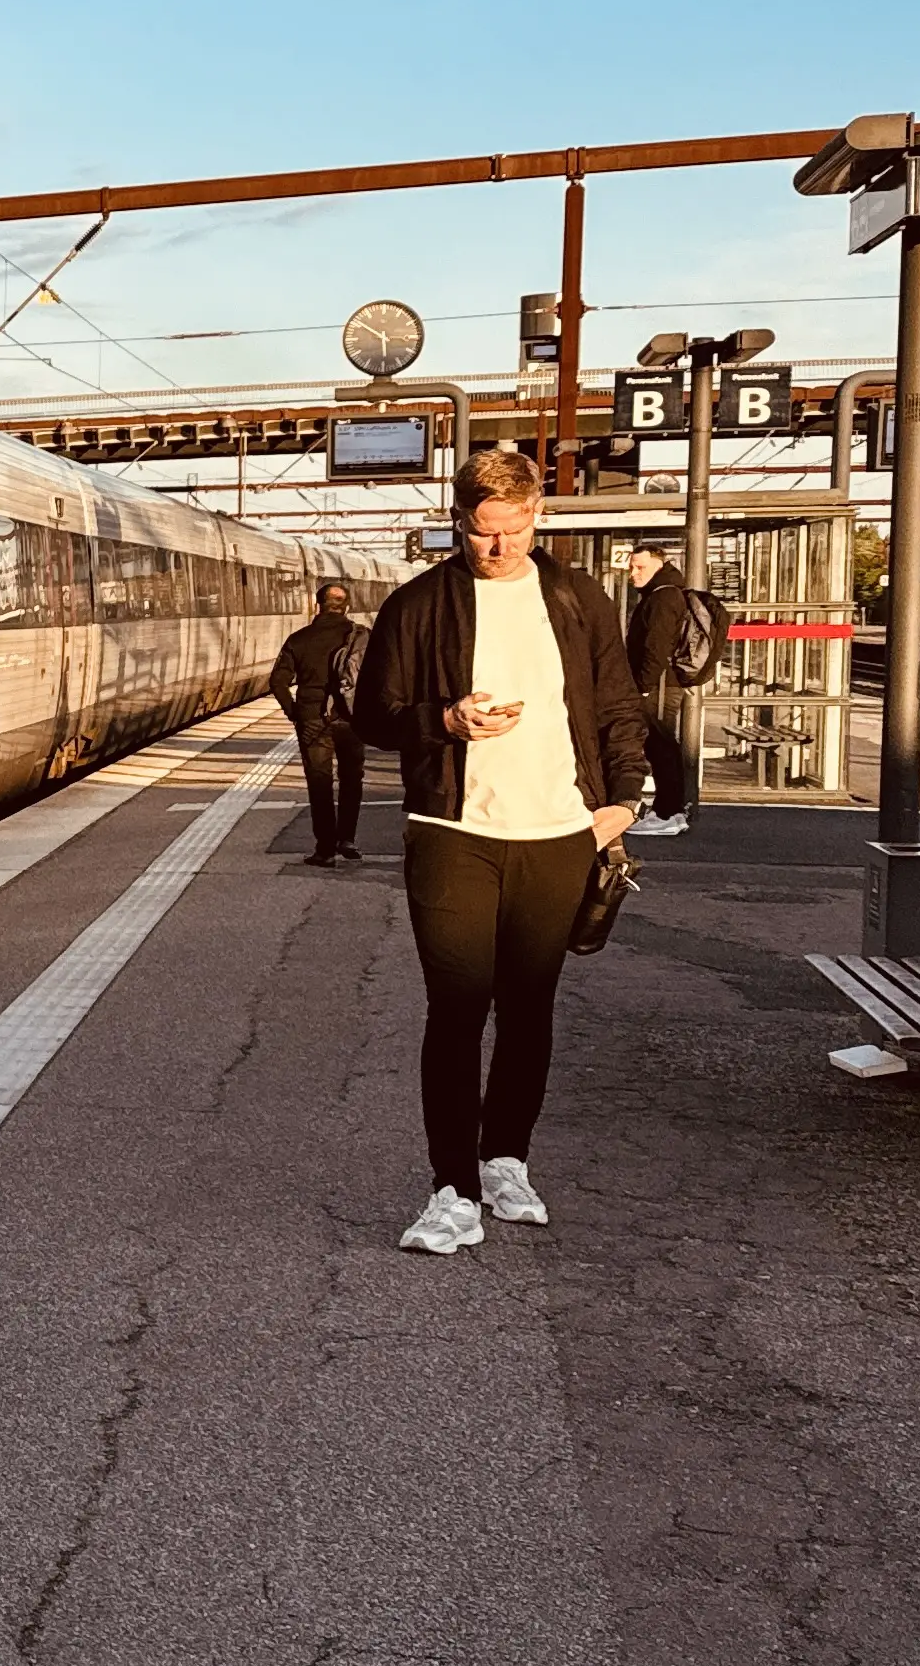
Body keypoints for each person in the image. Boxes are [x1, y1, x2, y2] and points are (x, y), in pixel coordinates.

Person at [355, 449, 647, 1256]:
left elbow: (619, 705)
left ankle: (505, 1160)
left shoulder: (576, 597)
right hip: (456, 835)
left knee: (529, 1012)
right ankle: (451, 1190)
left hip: (559, 834)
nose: (499, 549)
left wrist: (624, 800)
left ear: (537, 516)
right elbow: (373, 715)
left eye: (514, 530)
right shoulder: (417, 606)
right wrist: (444, 722)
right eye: (483, 534)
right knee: (456, 1010)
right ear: (458, 523)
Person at [266, 580, 371, 863]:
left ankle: (325, 849)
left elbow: (277, 681)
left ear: (317, 605)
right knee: (351, 779)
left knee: (319, 782)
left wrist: (295, 712)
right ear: (346, 607)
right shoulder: (360, 638)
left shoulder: (299, 639)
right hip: (350, 719)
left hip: (312, 720)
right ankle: (347, 840)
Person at [622, 542, 699, 836]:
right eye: (631, 567)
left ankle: (668, 812)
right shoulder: (664, 593)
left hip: (659, 682)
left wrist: (643, 685)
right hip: (661, 681)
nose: (633, 573)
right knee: (662, 745)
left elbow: (657, 645)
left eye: (640, 567)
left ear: (659, 565)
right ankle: (671, 810)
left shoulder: (664, 597)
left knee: (661, 745)